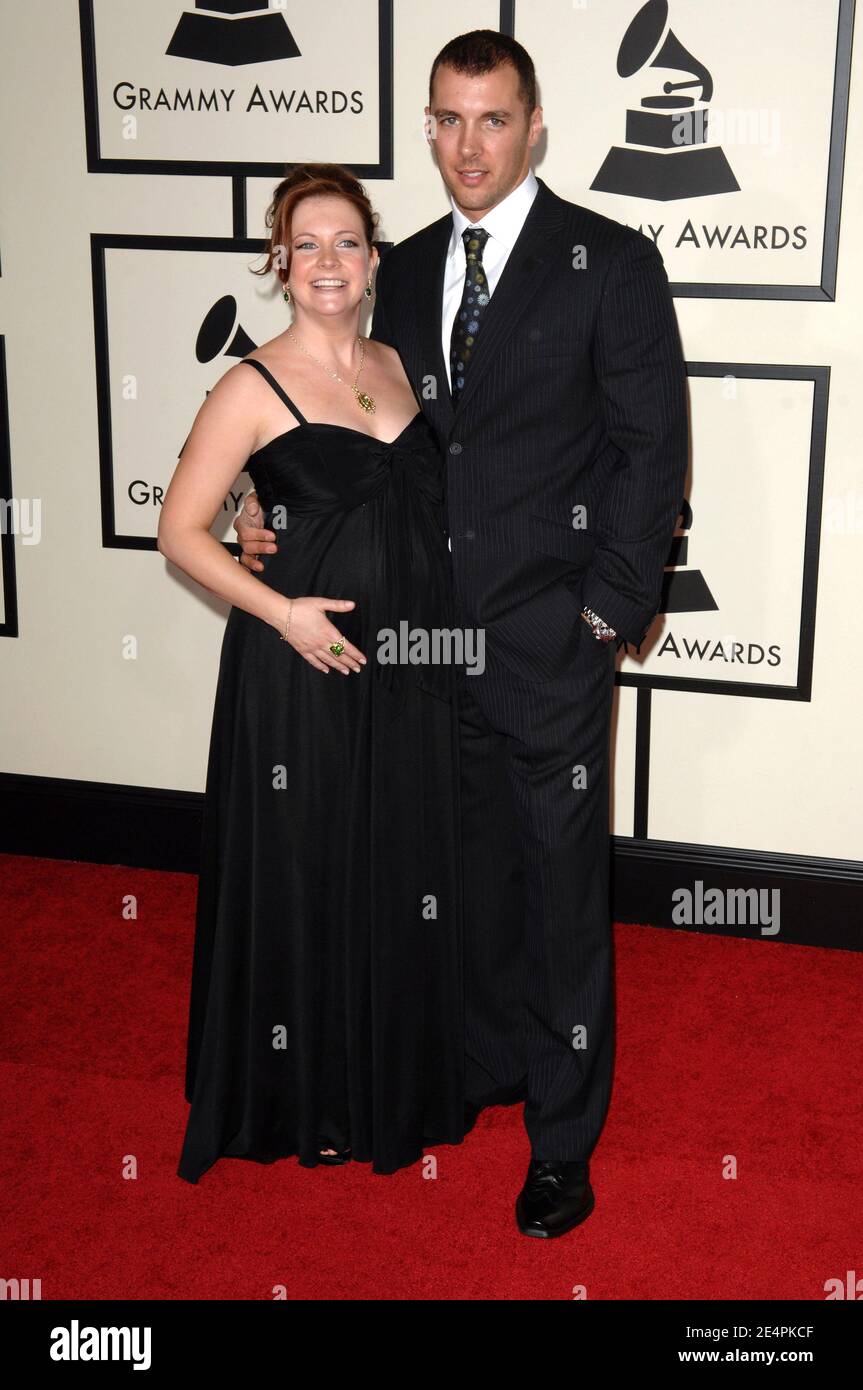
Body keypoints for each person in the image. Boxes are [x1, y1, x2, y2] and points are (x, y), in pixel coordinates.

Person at [236, 31, 689, 1237]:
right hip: (426, 659)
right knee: (466, 886)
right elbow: (361, 427)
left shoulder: (610, 260)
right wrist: (255, 501)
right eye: (447, 119)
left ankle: (560, 1140)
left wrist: (603, 613)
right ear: (426, 129)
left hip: (549, 646)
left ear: (533, 125)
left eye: (493, 120)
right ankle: (482, 1066)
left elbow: (652, 457)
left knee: (555, 899)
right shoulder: (412, 262)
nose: (469, 144)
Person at [159, 163, 468, 1183]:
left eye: (346, 242)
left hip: (406, 676)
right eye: (306, 244)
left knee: (390, 870)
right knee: (307, 871)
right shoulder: (251, 382)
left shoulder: (394, 363)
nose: (327, 261)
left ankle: (390, 1079)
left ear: (373, 260)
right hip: (301, 672)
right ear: (278, 263)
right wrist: (283, 611)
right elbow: (179, 532)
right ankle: (308, 1096)